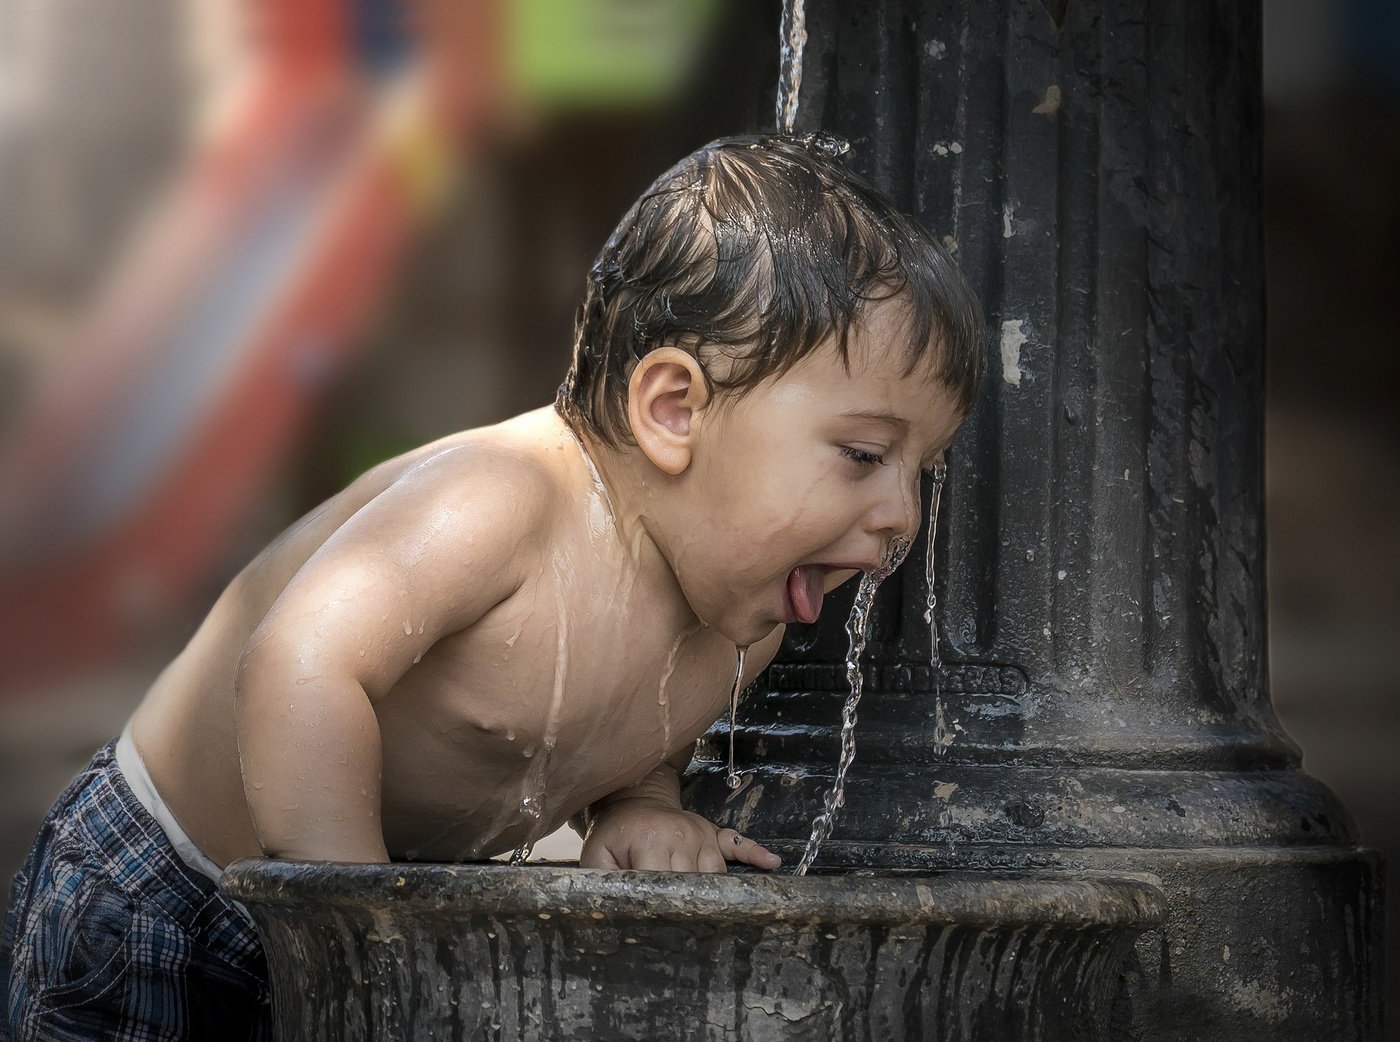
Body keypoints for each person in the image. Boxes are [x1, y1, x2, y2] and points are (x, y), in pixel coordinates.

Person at [0, 132, 984, 1040]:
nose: (900, 513)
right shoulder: (503, 502)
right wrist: (359, 933)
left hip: (359, 911)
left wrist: (637, 806)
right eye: (862, 455)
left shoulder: (742, 619)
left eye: (920, 473)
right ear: (674, 408)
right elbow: (301, 664)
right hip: (166, 885)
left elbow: (633, 729)